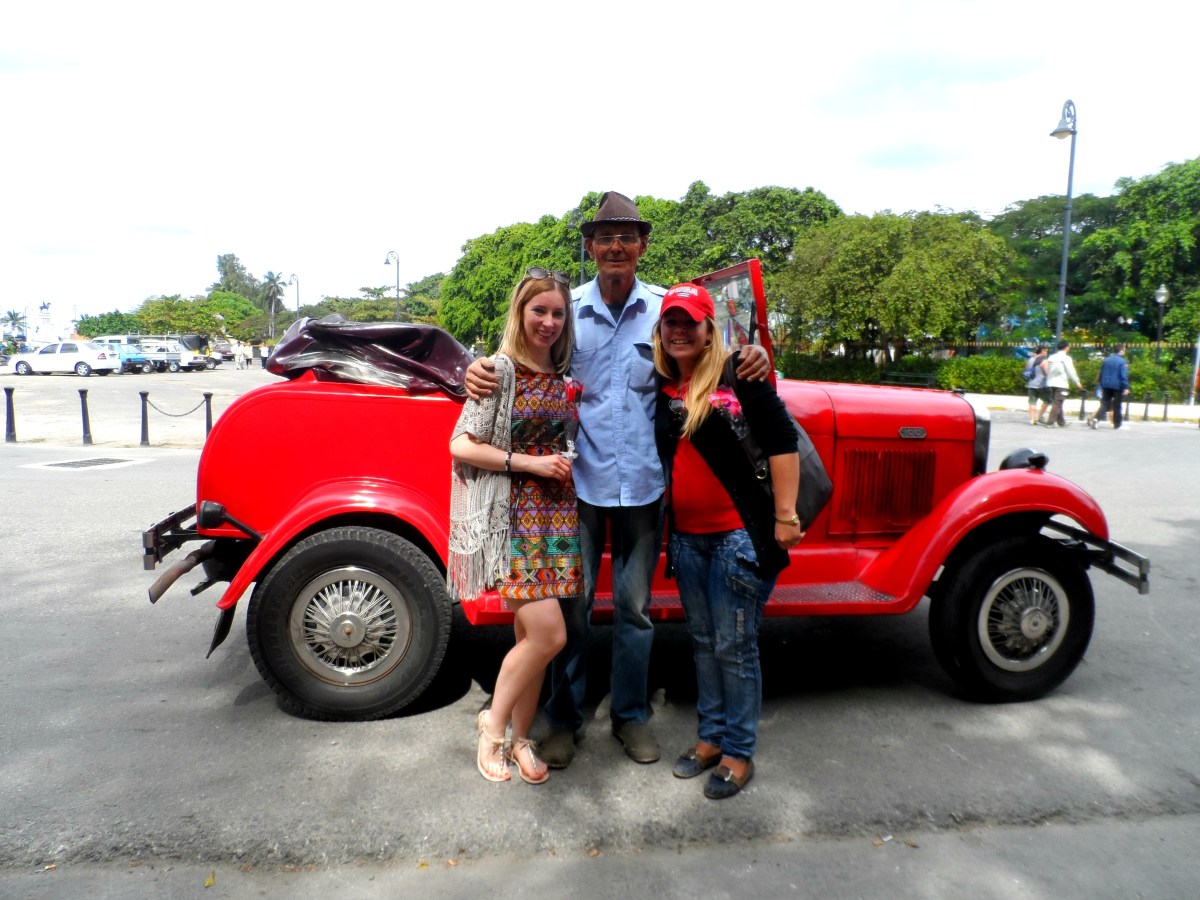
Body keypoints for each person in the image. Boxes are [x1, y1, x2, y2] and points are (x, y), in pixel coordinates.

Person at [464, 191, 771, 769]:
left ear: (642, 245)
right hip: (575, 486)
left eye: (626, 236)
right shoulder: (565, 310)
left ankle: (631, 717)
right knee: (572, 611)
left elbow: (708, 354)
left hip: (647, 486)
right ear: (590, 246)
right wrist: (476, 367)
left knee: (634, 611)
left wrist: (748, 353)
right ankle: (562, 717)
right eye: (604, 236)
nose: (615, 246)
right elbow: (517, 354)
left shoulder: (663, 310)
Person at [652, 283, 801, 799]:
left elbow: (782, 441)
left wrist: (785, 515)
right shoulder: (663, 384)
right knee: (703, 643)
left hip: (740, 536)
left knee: (734, 648)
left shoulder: (740, 374)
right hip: (689, 542)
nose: (678, 330)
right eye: (670, 321)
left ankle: (738, 752)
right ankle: (710, 739)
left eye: (688, 321)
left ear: (708, 328)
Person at [448, 267, 582, 784]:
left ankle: (522, 738)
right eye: (538, 311)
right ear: (520, 313)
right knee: (550, 635)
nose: (548, 322)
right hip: (515, 521)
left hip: (558, 518)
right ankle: (492, 726)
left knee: (532, 638)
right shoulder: (498, 372)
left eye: (557, 313)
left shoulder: (564, 372)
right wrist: (528, 463)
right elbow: (460, 443)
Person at [1089, 344, 1130, 430]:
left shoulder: (1106, 360)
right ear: (1121, 351)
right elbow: (1123, 375)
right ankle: (1117, 424)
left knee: (1104, 403)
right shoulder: (1122, 362)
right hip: (1117, 385)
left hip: (1106, 385)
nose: (1124, 351)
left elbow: (1102, 372)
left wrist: (1101, 383)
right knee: (1117, 405)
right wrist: (1125, 387)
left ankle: (1097, 418)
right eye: (1124, 350)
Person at [1043, 339, 1082, 427]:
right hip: (1061, 383)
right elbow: (1071, 372)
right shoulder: (1066, 358)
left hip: (1051, 383)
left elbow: (1048, 370)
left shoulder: (1051, 357)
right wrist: (1077, 383)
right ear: (1066, 348)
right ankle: (1050, 422)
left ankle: (1061, 422)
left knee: (1057, 402)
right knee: (1057, 403)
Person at [1024, 345, 1051, 425]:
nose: (1047, 352)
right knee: (1047, 400)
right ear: (1042, 351)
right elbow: (1047, 373)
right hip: (1041, 385)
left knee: (1032, 401)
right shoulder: (1044, 361)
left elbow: (1027, 370)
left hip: (1031, 384)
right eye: (1046, 351)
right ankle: (1039, 417)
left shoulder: (1030, 360)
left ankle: (1032, 419)